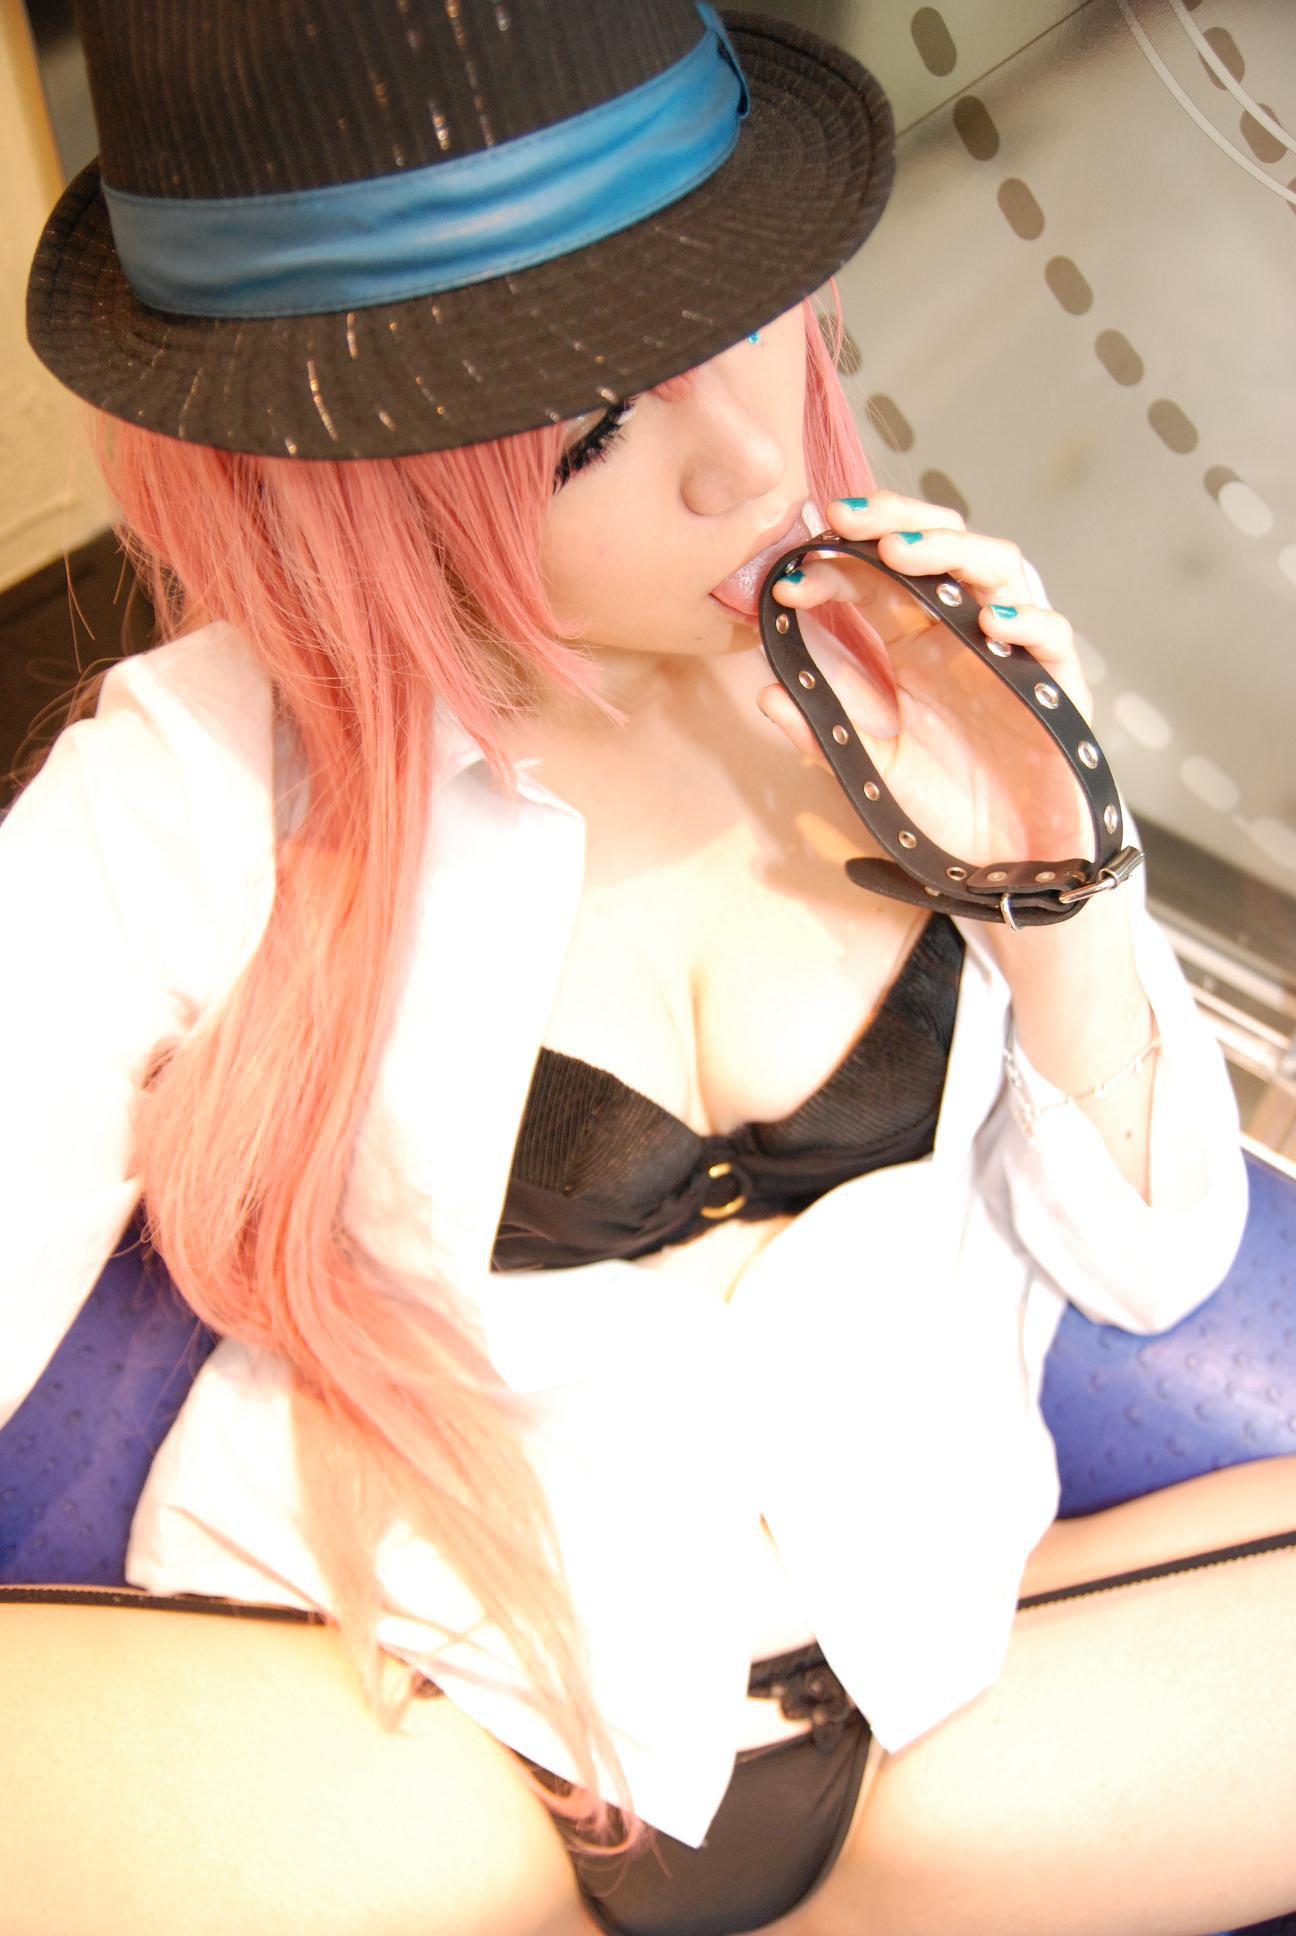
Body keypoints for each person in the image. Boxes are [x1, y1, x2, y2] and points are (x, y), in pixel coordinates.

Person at [4, 3, 1295, 1932]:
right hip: (401, 1752)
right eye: (597, 428)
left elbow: (1158, 1268)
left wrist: (1061, 884)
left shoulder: (918, 669)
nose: (742, 459)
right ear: (364, 474)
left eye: (743, 318)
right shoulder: (198, 784)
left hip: (938, 1706)